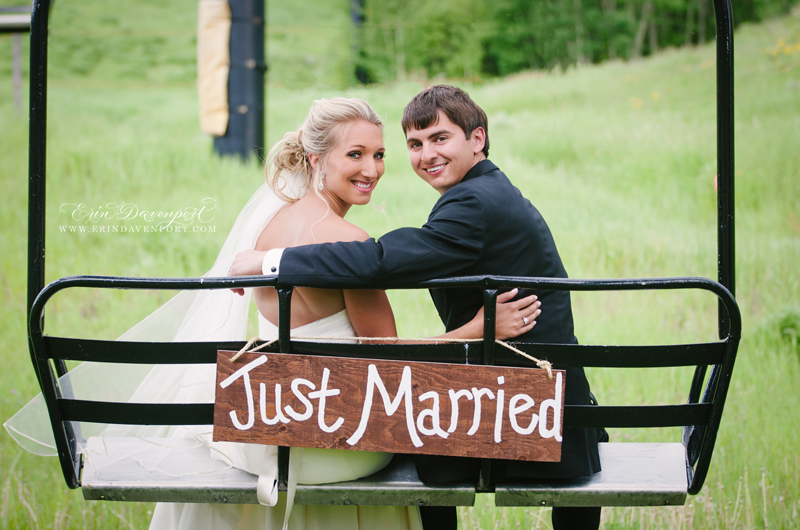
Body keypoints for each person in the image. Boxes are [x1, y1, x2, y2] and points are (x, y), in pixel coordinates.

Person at [5, 96, 540, 530]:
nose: (372, 169)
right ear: (316, 159)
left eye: (378, 156)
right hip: (331, 445)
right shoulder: (347, 243)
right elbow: (390, 367)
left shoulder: (264, 232)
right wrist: (472, 331)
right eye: (355, 154)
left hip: (256, 438)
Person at [230, 85, 605, 530]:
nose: (426, 154)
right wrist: (478, 328)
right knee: (418, 426)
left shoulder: (475, 202)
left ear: (477, 139)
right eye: (415, 144)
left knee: (420, 434)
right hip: (541, 401)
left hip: (529, 406)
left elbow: (379, 261)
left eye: (439, 138)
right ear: (317, 158)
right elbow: (383, 324)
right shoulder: (484, 193)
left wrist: (271, 262)